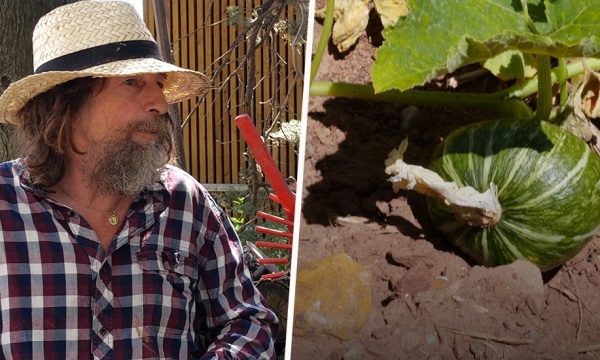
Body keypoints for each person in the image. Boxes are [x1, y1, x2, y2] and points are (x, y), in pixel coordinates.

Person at [0, 1, 278, 358]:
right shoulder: (7, 205)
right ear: (66, 101)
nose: (160, 104)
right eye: (132, 82)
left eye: (159, 84)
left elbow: (247, 322)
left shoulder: (183, 202)